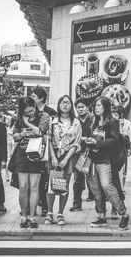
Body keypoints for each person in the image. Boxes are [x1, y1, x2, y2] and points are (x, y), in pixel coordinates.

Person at [85, 96, 130, 231]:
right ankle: (101, 216)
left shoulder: (112, 122)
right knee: (96, 190)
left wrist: (97, 142)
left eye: (99, 105)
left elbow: (114, 141)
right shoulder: (93, 122)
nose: (96, 108)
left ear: (105, 107)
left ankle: (124, 213)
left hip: (106, 161)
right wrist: (88, 141)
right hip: (93, 160)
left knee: (107, 186)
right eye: (95, 106)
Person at [12, 97, 50, 228]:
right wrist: (22, 134)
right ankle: (24, 216)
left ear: (35, 106)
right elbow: (15, 136)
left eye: (32, 110)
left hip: (37, 154)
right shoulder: (18, 117)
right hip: (22, 153)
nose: (30, 114)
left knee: (34, 186)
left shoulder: (44, 116)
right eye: (26, 112)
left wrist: (26, 123)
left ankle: (32, 217)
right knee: (23, 187)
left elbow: (40, 131)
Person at [45, 95, 81, 225]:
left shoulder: (76, 123)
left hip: (68, 157)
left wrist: (65, 159)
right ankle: (49, 212)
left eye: (67, 102)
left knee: (64, 186)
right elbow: (48, 139)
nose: (65, 105)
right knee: (52, 184)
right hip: (54, 155)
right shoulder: (52, 121)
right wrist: (53, 157)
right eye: (62, 102)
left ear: (71, 106)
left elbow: (76, 143)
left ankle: (60, 213)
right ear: (59, 105)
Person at [31, 86, 57, 217]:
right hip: (32, 148)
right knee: (34, 179)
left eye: (34, 96)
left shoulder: (51, 112)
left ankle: (45, 207)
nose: (32, 98)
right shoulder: (30, 111)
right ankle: (33, 206)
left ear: (41, 98)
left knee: (45, 178)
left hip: (47, 148)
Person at [70, 97, 94, 212]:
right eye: (78, 108)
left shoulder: (93, 120)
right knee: (77, 180)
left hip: (92, 154)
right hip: (78, 154)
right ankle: (76, 204)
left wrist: (82, 139)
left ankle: (99, 208)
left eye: (82, 107)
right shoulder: (74, 121)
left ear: (88, 107)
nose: (80, 109)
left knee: (93, 180)